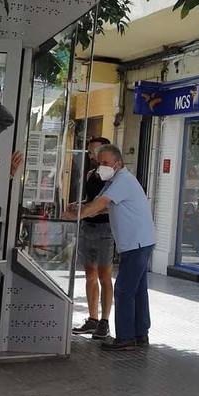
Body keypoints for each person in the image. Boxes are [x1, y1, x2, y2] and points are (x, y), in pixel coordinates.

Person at [67, 145, 154, 351]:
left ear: (118, 163)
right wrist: (80, 206)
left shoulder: (122, 180)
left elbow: (100, 204)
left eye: (105, 163)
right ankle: (140, 335)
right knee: (138, 291)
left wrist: (75, 215)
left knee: (124, 290)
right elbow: (101, 204)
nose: (100, 168)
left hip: (136, 243)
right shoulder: (116, 180)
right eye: (98, 163)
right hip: (138, 242)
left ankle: (125, 338)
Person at [70, 137, 116, 340]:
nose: (93, 156)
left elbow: (111, 205)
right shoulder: (90, 174)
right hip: (87, 228)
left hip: (105, 229)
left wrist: (88, 211)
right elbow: (90, 201)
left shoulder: (115, 177)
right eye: (90, 153)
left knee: (104, 276)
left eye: (96, 152)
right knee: (90, 275)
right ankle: (92, 318)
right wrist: (78, 205)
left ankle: (105, 322)